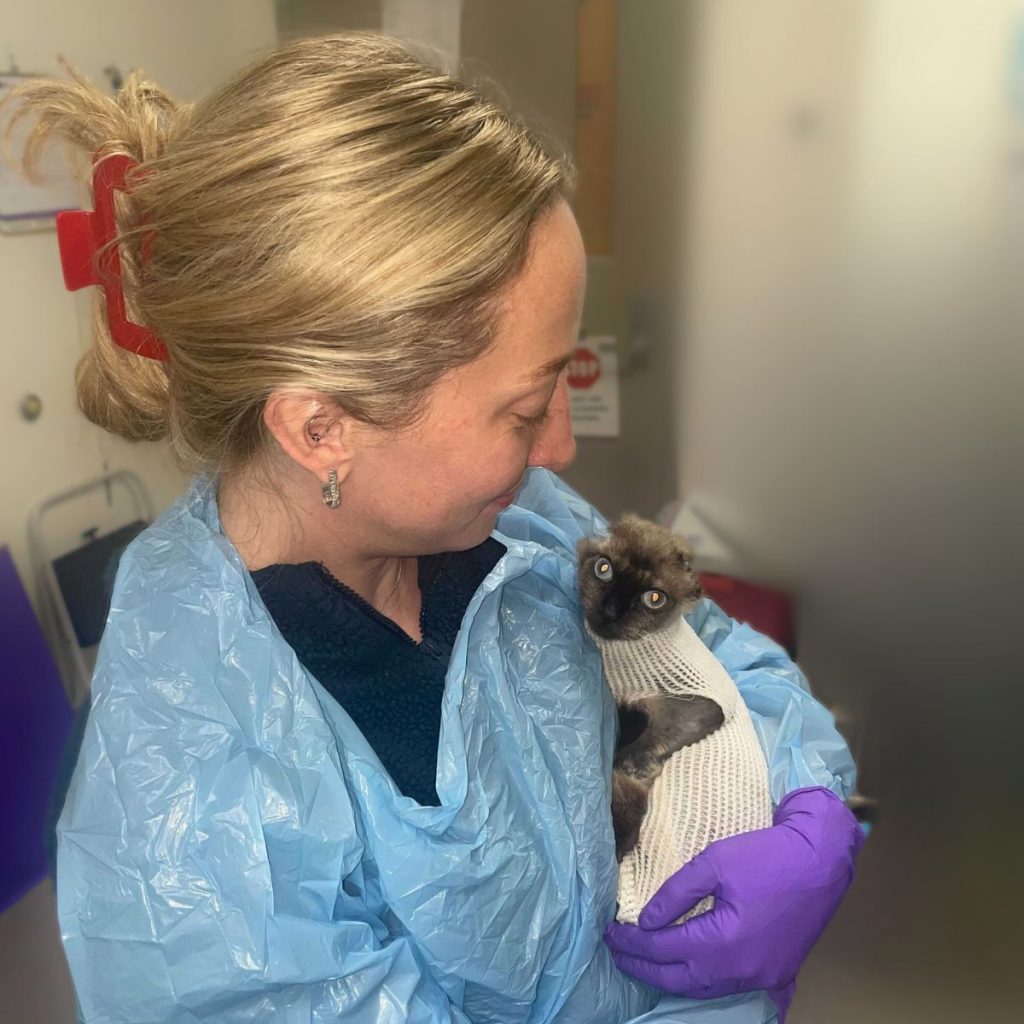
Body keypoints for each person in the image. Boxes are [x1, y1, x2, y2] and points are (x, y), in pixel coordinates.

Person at [9, 34, 862, 1024]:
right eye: (522, 406)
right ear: (319, 426)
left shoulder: (512, 521)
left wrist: (808, 799)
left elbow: (693, 651)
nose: (557, 450)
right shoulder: (190, 803)